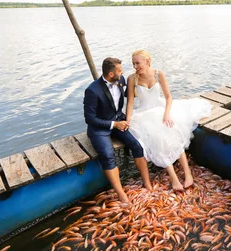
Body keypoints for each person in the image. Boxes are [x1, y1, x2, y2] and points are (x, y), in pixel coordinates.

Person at [125, 50, 211, 191]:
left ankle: (188, 173)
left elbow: (168, 98)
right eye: (133, 63)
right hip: (144, 113)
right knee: (157, 136)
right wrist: (128, 120)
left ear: (147, 61)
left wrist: (166, 114)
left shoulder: (158, 74)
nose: (135, 66)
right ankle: (173, 177)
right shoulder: (132, 79)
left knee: (172, 130)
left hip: (162, 109)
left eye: (138, 63)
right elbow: (129, 103)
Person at [83, 57, 153, 204]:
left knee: (136, 146)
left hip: (118, 120)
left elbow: (132, 95)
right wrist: (114, 125)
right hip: (100, 127)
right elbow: (90, 119)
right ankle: (121, 194)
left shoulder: (120, 81)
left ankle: (147, 183)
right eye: (120, 71)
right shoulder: (92, 91)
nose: (122, 73)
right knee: (108, 155)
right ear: (110, 74)